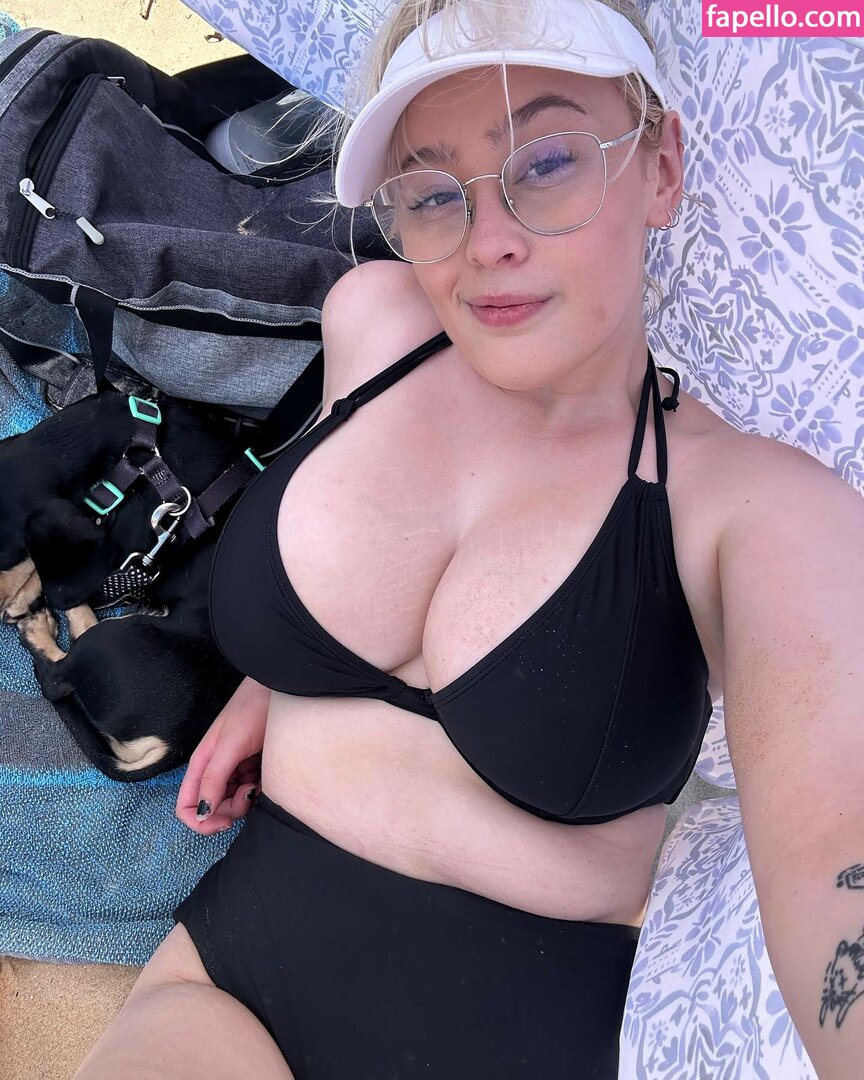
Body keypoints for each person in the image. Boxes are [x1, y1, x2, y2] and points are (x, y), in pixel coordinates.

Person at [75, 1, 864, 1077]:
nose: (489, 241)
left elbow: (832, 841)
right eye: (435, 192)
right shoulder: (376, 321)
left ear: (662, 169)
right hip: (226, 978)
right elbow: (337, 540)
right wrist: (281, 670)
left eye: (548, 162)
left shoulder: (757, 507)